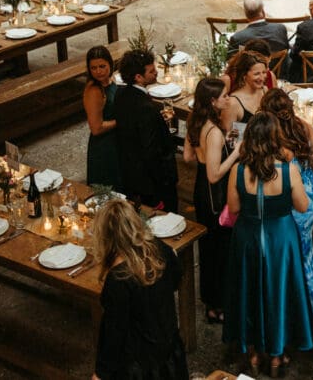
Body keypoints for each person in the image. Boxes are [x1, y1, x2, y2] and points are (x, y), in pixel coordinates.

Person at [223, 113, 313, 378]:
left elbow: (234, 207)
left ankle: (253, 350)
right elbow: (302, 206)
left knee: (250, 290)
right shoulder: (289, 171)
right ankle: (277, 354)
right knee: (280, 291)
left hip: (248, 237)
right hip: (280, 239)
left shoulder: (238, 170)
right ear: (276, 138)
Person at [92, 198, 188, 380]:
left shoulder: (119, 278)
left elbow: (115, 332)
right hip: (168, 348)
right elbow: (176, 279)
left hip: (141, 366)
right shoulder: (160, 249)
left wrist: (100, 373)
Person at [260, 88, 313, 327]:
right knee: (305, 251)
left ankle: (296, 314)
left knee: (290, 255)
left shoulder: (272, 138)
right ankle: (312, 309)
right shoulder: (303, 126)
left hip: (292, 196)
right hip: (312, 192)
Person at [182, 77, 239, 325]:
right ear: (213, 101)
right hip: (215, 194)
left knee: (207, 249)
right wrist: (237, 151)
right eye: (225, 96)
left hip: (200, 191)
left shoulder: (194, 121)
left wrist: (214, 150)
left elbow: (187, 156)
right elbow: (214, 174)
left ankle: (210, 301)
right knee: (221, 250)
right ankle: (219, 305)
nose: (228, 99)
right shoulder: (214, 132)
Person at [111, 49, 178, 212]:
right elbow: (151, 150)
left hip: (130, 171)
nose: (156, 73)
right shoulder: (145, 108)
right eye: (151, 71)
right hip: (151, 181)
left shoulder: (121, 93)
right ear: (138, 77)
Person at [83, 45, 120, 188]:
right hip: (104, 147)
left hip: (116, 141)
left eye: (102, 66)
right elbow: (96, 128)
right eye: (93, 68)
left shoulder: (111, 80)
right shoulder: (94, 91)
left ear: (110, 64)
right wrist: (121, 121)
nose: (98, 71)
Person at [222, 52, 268, 132]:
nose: (262, 78)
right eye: (257, 74)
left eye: (264, 72)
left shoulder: (265, 91)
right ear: (244, 76)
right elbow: (228, 138)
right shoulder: (233, 103)